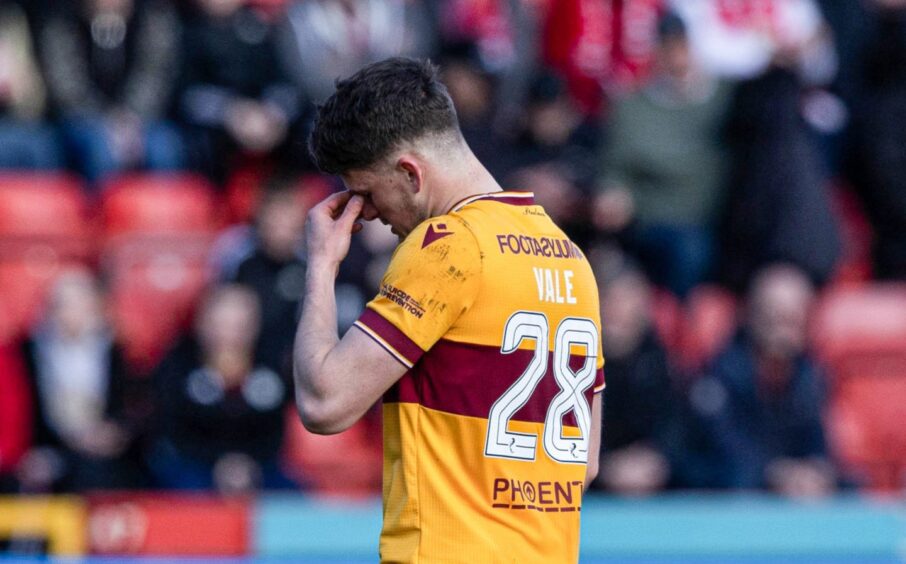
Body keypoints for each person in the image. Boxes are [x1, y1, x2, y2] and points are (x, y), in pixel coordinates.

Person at [295, 58, 605, 562]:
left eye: (368, 194)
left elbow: (324, 404)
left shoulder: (447, 245)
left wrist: (320, 268)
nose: (368, 214)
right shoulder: (571, 258)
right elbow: (585, 462)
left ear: (411, 173)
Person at [680, 264, 836, 495]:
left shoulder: (809, 376)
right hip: (728, 498)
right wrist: (775, 473)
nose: (782, 329)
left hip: (791, 497)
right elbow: (727, 452)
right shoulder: (717, 377)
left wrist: (816, 471)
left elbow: (817, 446)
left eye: (792, 318)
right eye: (773, 316)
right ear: (750, 314)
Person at [149, 284, 296, 492]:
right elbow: (171, 432)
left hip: (260, 468)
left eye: (237, 326)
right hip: (192, 466)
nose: (227, 335)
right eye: (220, 324)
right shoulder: (177, 365)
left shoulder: (271, 367)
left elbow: (275, 433)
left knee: (293, 498)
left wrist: (246, 464)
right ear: (202, 323)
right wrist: (220, 463)